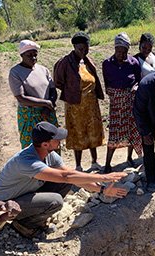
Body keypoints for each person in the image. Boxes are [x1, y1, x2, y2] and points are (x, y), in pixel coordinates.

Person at [0, 122, 128, 238]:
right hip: (4, 206)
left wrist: (102, 189)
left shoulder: (49, 154)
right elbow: (66, 176)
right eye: (57, 140)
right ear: (45, 144)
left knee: (63, 184)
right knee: (55, 201)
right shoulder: (27, 162)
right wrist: (103, 177)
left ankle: (32, 217)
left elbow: (71, 175)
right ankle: (25, 225)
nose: (60, 142)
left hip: (21, 196)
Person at [53, 32, 105, 171]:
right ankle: (78, 166)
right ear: (74, 46)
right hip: (75, 106)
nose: (83, 52)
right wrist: (72, 91)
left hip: (91, 105)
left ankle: (94, 161)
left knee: (93, 133)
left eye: (86, 49)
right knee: (78, 134)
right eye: (80, 49)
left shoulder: (87, 61)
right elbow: (58, 82)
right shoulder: (65, 62)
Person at [102, 32, 143, 173]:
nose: (120, 54)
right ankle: (108, 163)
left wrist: (133, 90)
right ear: (114, 49)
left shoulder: (134, 63)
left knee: (132, 129)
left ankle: (129, 158)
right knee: (114, 131)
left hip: (130, 101)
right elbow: (107, 84)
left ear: (128, 51)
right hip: (116, 103)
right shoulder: (107, 64)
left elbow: (138, 80)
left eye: (123, 52)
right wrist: (116, 95)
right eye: (118, 51)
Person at [9, 40, 59, 149]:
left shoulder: (43, 70)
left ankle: (53, 166)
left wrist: (48, 106)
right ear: (22, 55)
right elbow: (21, 98)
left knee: (52, 145)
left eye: (35, 55)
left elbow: (53, 90)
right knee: (33, 148)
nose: (33, 58)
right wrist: (46, 103)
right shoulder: (15, 72)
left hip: (47, 113)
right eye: (29, 55)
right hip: (29, 115)